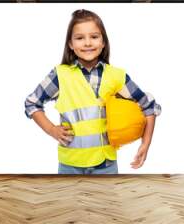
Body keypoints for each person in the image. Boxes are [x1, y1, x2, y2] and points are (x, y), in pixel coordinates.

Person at [24, 9, 161, 174]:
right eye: (80, 38)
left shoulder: (117, 76)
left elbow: (150, 106)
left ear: (103, 42)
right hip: (69, 165)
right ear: (70, 44)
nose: (88, 43)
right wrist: (52, 130)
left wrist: (145, 144)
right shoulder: (60, 75)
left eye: (94, 37)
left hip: (106, 165)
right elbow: (32, 103)